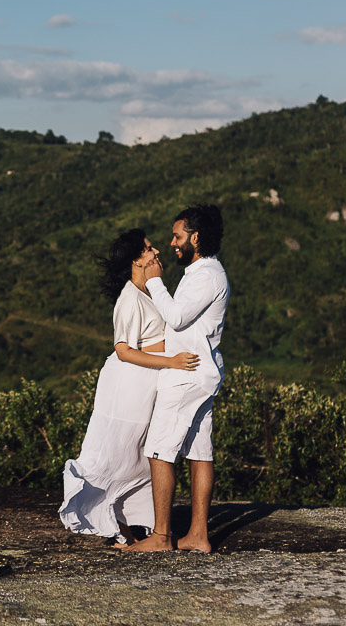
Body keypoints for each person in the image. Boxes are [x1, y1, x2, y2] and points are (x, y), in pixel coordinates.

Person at [59, 228, 199, 544]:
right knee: (121, 454)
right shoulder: (129, 298)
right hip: (127, 386)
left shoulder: (150, 291)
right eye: (149, 250)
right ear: (137, 260)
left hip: (148, 384)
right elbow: (123, 349)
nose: (157, 252)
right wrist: (171, 361)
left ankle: (135, 531)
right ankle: (120, 529)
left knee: (142, 456)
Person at [126, 204, 229, 553]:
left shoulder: (205, 275)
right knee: (200, 452)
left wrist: (154, 280)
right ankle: (198, 535)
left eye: (178, 236)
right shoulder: (203, 272)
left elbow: (177, 318)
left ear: (195, 238)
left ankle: (160, 536)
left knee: (159, 451)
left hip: (186, 373)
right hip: (201, 371)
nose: (172, 243)